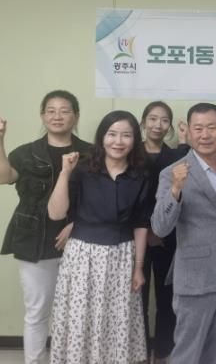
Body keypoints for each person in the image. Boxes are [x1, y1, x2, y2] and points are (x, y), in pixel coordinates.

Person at [48, 110, 150, 364]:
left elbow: (140, 224)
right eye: (112, 134)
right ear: (102, 137)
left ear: (134, 140)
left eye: (126, 135)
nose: (118, 141)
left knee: (116, 320)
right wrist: (64, 172)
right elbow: (56, 213)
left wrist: (138, 268)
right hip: (83, 255)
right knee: (81, 318)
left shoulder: (141, 174)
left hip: (122, 256)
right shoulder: (82, 169)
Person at [0, 90, 92, 364]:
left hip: (81, 240)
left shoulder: (91, 153)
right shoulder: (25, 153)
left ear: (76, 116)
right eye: (51, 110)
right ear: (42, 116)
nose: (57, 116)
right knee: (37, 311)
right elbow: (4, 177)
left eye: (64, 110)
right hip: (33, 239)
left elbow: (100, 198)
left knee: (77, 311)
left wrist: (77, 225)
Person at [152, 103, 216, 364]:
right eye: (198, 128)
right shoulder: (172, 173)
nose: (205, 134)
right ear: (188, 132)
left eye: (211, 127)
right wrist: (175, 190)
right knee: (187, 352)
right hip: (195, 277)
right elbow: (160, 227)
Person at [140, 101, 188, 363]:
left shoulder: (176, 156)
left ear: (169, 125)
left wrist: (158, 230)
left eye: (164, 120)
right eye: (152, 118)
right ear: (143, 122)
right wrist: (146, 230)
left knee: (166, 298)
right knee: (135, 298)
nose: (157, 125)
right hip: (134, 235)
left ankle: (162, 352)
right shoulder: (130, 152)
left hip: (167, 237)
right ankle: (138, 352)